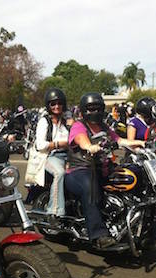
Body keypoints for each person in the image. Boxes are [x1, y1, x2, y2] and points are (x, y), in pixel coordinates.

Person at [65, 93, 145, 249]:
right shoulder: (79, 126)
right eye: (90, 109)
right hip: (80, 171)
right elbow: (81, 140)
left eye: (97, 108)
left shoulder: (104, 127)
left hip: (102, 169)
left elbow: (120, 141)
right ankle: (98, 235)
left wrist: (141, 142)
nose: (94, 112)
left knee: (133, 173)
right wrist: (90, 147)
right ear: (83, 111)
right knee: (90, 187)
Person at [35, 88, 69, 216]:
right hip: (50, 156)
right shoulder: (44, 122)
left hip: (68, 155)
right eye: (53, 104)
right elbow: (40, 145)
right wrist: (58, 144)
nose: (57, 106)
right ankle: (55, 211)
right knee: (59, 173)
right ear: (48, 106)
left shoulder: (67, 121)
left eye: (60, 103)